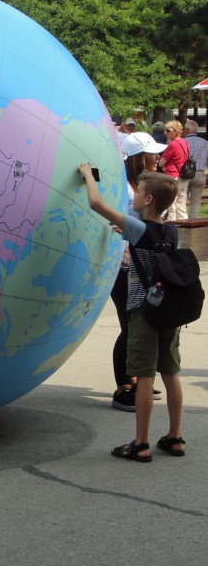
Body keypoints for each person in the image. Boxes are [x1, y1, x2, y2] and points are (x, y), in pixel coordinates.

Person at [78, 165, 185, 462]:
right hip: (169, 312)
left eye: (139, 192)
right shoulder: (171, 231)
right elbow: (155, 248)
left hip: (143, 312)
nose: (134, 196)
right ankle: (175, 437)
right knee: (170, 373)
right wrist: (128, 231)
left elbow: (96, 204)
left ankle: (140, 444)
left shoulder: (139, 229)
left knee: (145, 376)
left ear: (148, 200)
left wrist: (87, 175)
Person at [110, 133, 167, 412]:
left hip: (138, 265)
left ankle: (137, 381)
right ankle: (123, 387)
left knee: (137, 325)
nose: (157, 158)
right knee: (129, 326)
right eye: (152, 154)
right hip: (122, 265)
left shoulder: (141, 186)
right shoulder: (124, 188)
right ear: (138, 158)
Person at [158, 120, 188, 220]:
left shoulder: (172, 144)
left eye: (168, 131)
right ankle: (184, 223)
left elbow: (161, 163)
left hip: (171, 175)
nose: (165, 133)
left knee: (171, 203)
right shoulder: (185, 142)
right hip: (183, 174)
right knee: (181, 202)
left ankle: (172, 223)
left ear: (175, 131)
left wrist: (163, 166)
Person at [184, 119, 208, 218]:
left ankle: (181, 220)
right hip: (200, 173)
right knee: (196, 203)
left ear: (186, 130)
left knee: (182, 200)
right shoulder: (205, 143)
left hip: (185, 173)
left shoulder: (183, 142)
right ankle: (192, 221)